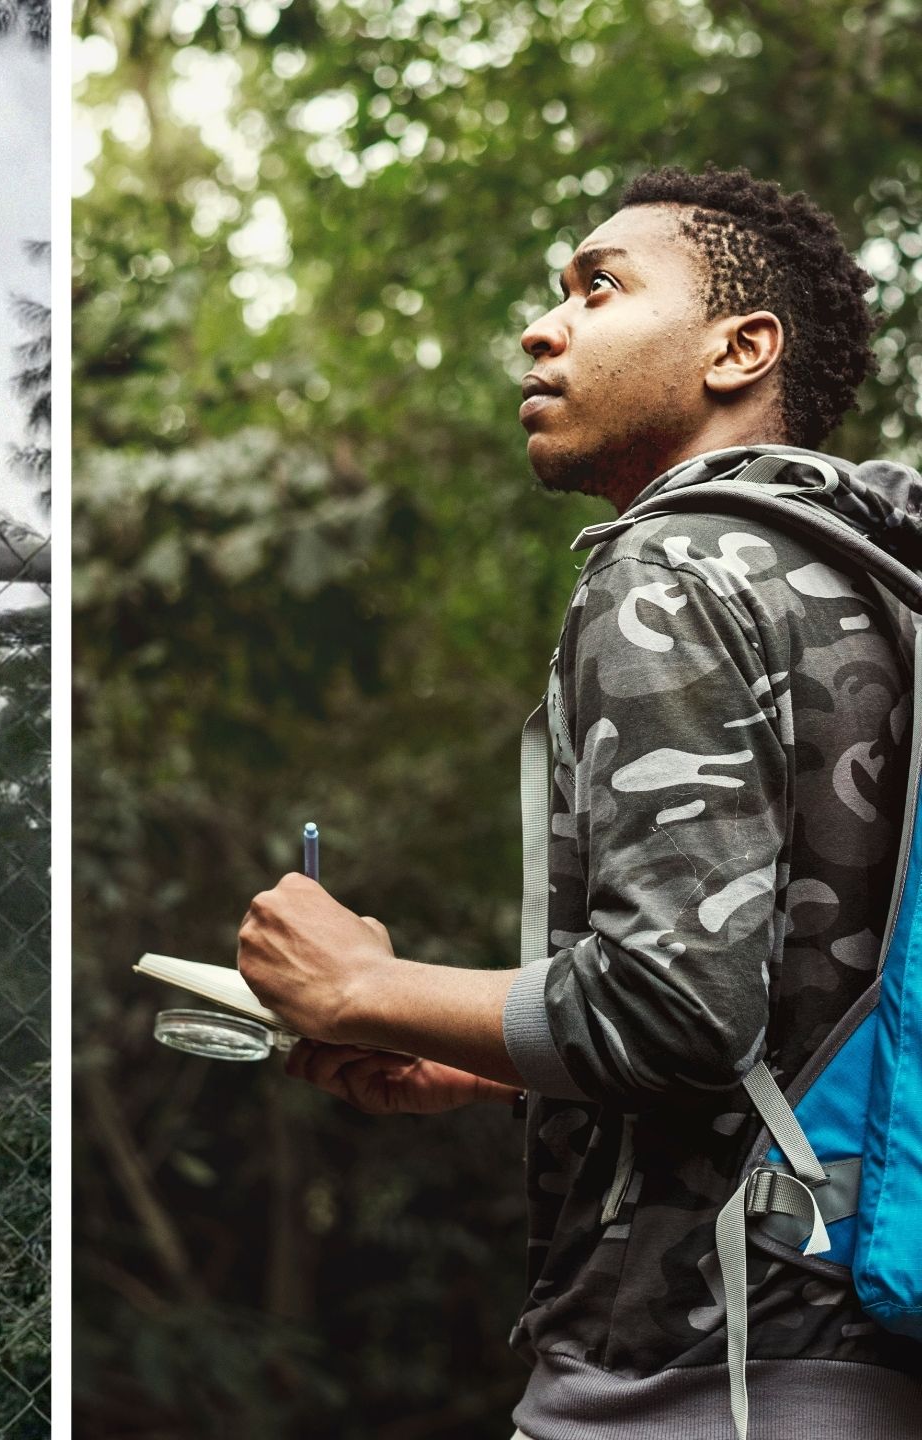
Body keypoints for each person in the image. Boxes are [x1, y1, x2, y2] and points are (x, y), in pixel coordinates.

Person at [237, 165, 922, 1435]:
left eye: (597, 288)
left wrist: (361, 987)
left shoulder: (671, 568)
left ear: (739, 349)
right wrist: (485, 1055)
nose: (540, 327)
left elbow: (676, 1011)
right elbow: (807, 1002)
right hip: (864, 1347)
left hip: (704, 1366)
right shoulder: (873, 585)